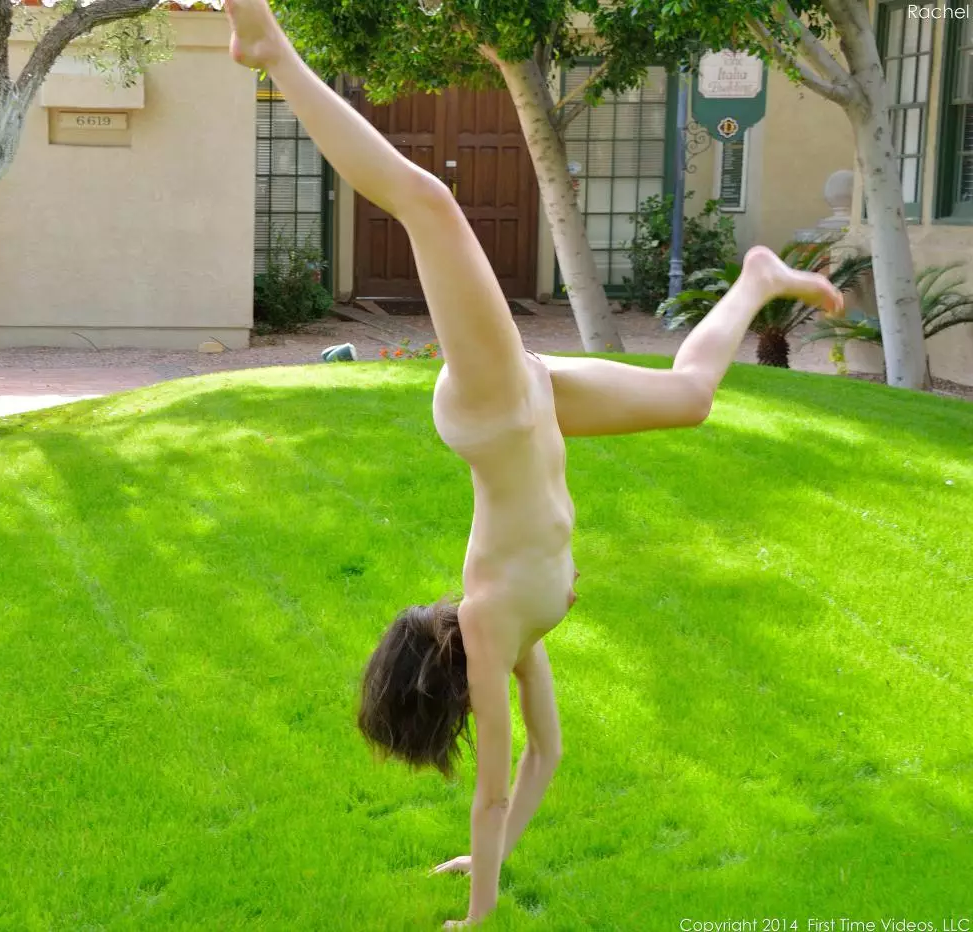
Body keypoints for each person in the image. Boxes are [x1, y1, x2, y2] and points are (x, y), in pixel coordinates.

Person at [222, 0, 843, 925]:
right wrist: (485, 860)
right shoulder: (516, 641)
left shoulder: (491, 625)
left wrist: (478, 914)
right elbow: (544, 759)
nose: (476, 716)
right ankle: (757, 277)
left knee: (429, 203)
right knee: (689, 398)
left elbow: (492, 787)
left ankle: (268, 46)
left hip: (493, 412)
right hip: (534, 403)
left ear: (448, 688)